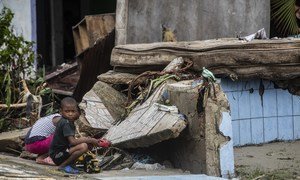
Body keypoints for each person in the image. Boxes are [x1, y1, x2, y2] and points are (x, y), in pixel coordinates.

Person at [49, 97, 100, 174]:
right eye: (67, 111)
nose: (70, 114)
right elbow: (72, 142)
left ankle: (71, 164)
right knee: (83, 146)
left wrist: (89, 140)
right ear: (61, 111)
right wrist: (90, 140)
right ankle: (63, 166)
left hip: (62, 152)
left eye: (73, 111)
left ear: (77, 111)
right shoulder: (66, 123)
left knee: (87, 145)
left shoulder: (68, 121)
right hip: (57, 155)